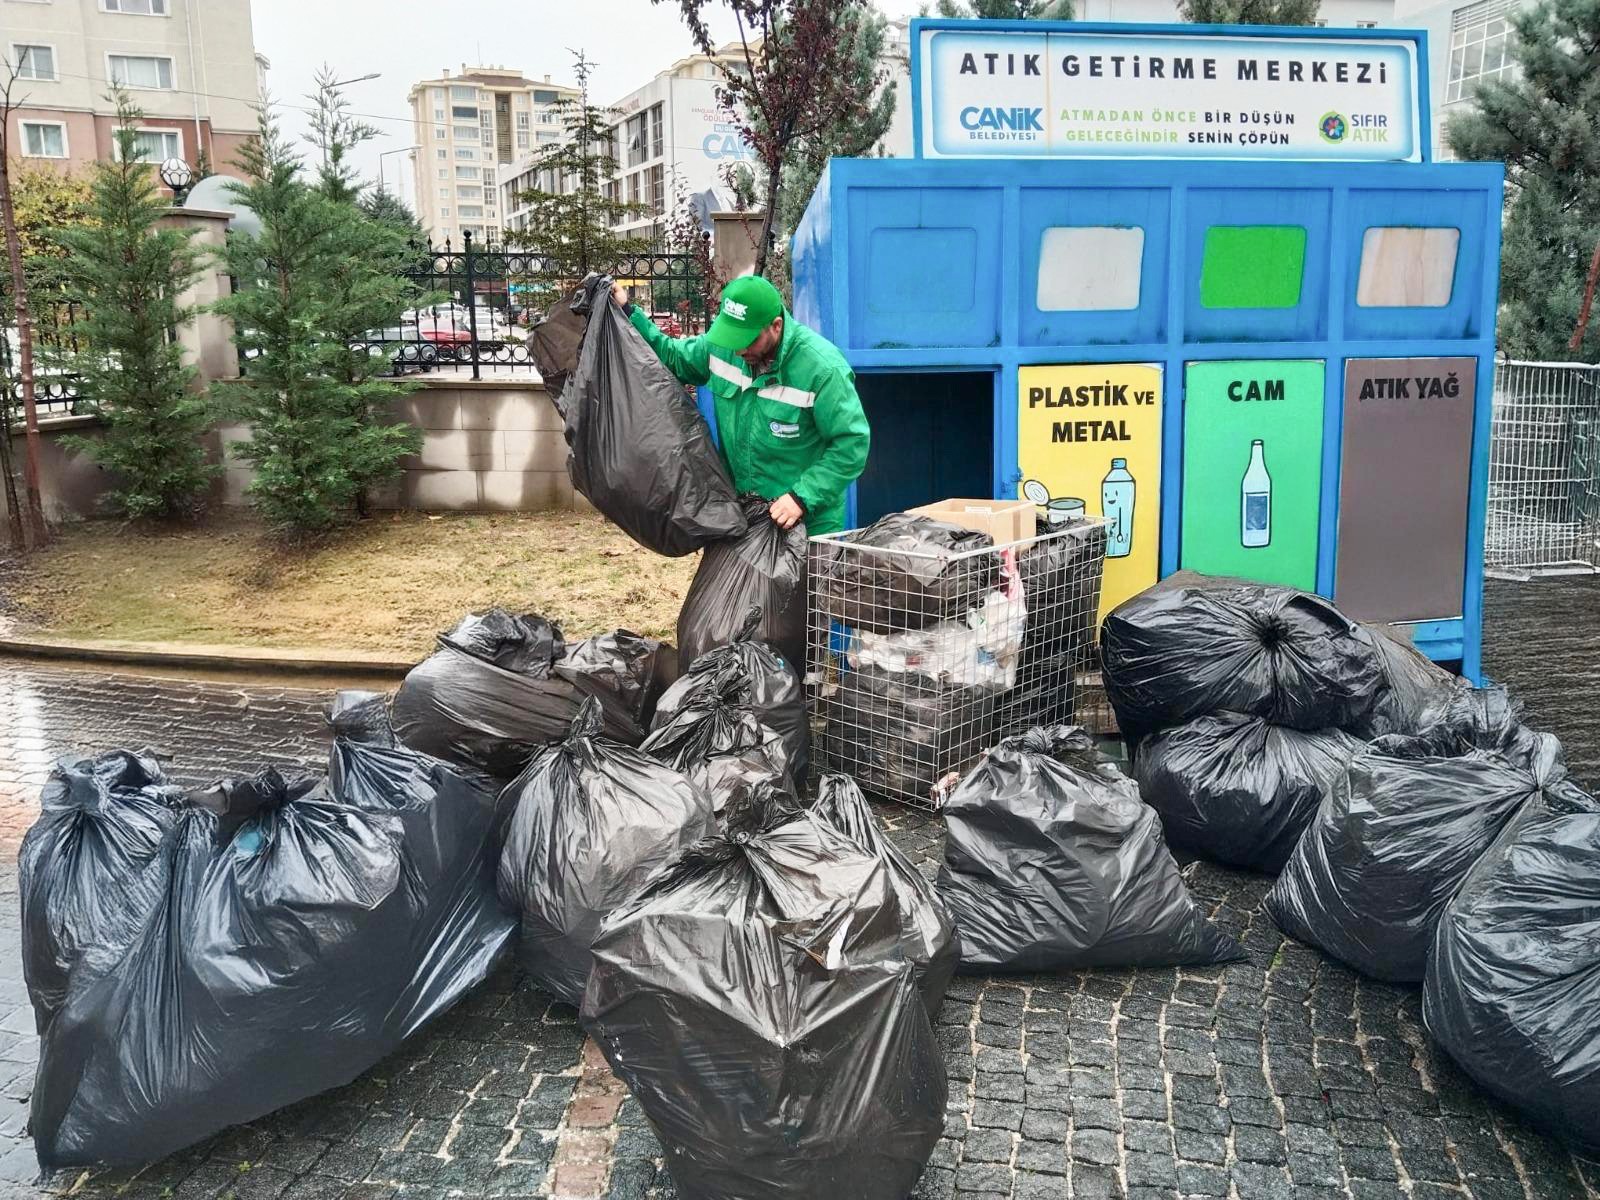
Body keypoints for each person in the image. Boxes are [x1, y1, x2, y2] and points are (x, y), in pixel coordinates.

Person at [612, 275, 869, 537]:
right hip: (744, 515)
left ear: (776, 326)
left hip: (806, 522)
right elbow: (672, 357)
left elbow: (851, 443)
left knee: (806, 580)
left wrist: (802, 496)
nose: (737, 349)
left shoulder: (821, 370)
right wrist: (627, 311)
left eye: (747, 339)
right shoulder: (722, 347)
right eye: (733, 337)